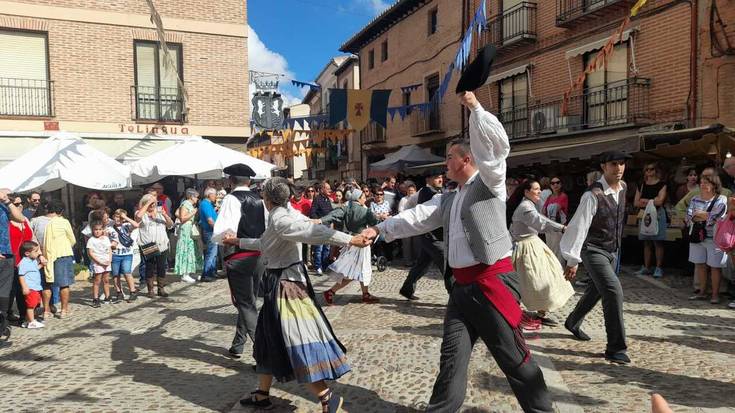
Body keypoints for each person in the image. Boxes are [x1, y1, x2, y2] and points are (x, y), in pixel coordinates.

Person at [361, 91, 552, 412]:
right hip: (462, 289)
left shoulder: (490, 182)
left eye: (450, 156)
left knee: (515, 361)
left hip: (493, 285)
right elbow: (417, 217)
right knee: (451, 358)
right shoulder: (450, 196)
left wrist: (475, 108)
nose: (445, 162)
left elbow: (496, 149)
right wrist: (379, 230)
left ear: (467, 159)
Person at [222, 177, 370, 412]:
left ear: (267, 198)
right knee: (266, 337)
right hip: (278, 283)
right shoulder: (281, 215)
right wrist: (237, 240)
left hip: (286, 286)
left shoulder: (281, 219)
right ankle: (262, 394)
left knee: (296, 340)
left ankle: (326, 396)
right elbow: (264, 243)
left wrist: (349, 239)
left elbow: (314, 231)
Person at [560, 151, 631, 364]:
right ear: (603, 167)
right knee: (612, 289)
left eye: (621, 164)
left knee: (596, 290)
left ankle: (572, 321)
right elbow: (578, 228)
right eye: (613, 164)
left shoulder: (624, 187)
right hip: (592, 250)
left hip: (612, 251)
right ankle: (615, 348)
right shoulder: (592, 195)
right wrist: (572, 260)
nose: (618, 168)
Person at [212, 164, 267, 359]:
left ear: (231, 181)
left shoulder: (231, 198)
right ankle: (238, 344)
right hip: (258, 254)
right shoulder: (259, 199)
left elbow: (223, 231)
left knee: (245, 304)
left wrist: (220, 238)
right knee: (249, 302)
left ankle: (264, 352)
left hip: (238, 255)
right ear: (249, 181)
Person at [508, 179, 573, 327]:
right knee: (535, 280)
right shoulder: (525, 206)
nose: (539, 192)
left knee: (541, 279)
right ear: (526, 192)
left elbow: (541, 220)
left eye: (539, 189)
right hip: (526, 248)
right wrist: (562, 228)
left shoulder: (528, 204)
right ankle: (530, 311)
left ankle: (540, 311)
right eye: (536, 189)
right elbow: (541, 223)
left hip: (532, 245)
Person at [319, 188, 380, 305]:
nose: (365, 199)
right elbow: (374, 223)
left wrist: (321, 220)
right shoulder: (365, 211)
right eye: (363, 197)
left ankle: (365, 294)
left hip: (350, 240)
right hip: (361, 241)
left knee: (361, 269)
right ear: (358, 198)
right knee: (354, 271)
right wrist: (381, 219)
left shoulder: (347, 208)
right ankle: (331, 291)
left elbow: (333, 214)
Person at [399, 173, 445, 300]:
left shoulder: (438, 190)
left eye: (441, 176)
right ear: (428, 180)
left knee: (422, 265)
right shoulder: (426, 192)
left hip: (434, 235)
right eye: (436, 177)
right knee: (446, 265)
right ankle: (457, 298)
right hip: (431, 236)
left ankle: (406, 289)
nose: (440, 179)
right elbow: (409, 207)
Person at [686, 174, 728, 304]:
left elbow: (716, 216)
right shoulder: (694, 199)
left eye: (706, 183)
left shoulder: (721, 199)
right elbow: (689, 217)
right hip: (697, 237)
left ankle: (715, 295)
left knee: (715, 267)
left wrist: (699, 215)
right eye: (702, 182)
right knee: (700, 265)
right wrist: (702, 216)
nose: (703, 185)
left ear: (714, 185)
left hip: (714, 238)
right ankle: (702, 292)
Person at [42, 200, 76, 319]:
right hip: (63, 254)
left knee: (47, 284)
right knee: (64, 284)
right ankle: (64, 310)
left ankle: (46, 310)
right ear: (61, 211)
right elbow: (72, 239)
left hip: (47, 255)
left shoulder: (43, 222)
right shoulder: (64, 222)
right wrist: (66, 245)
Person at [135, 194, 174, 298]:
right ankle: (150, 289)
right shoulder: (141, 213)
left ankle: (161, 289)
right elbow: (138, 218)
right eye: (150, 203)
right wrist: (148, 203)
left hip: (162, 243)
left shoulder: (160, 212)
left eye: (154, 203)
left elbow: (170, 225)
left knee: (161, 267)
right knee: (150, 267)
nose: (153, 205)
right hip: (149, 244)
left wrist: (164, 214)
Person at [634, 163, 668, 278]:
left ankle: (658, 267)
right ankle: (646, 267)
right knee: (646, 242)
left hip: (657, 214)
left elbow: (660, 201)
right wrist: (652, 200)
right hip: (645, 215)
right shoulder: (641, 185)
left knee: (658, 242)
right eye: (646, 169)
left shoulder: (662, 184)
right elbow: (636, 202)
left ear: (656, 170)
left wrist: (645, 200)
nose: (649, 171)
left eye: (651, 169)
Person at [30, 202, 60, 317]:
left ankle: (49, 304)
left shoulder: (36, 221)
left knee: (46, 281)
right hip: (42, 255)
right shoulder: (37, 221)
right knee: (45, 281)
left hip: (44, 254)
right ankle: (43, 305)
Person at [110, 209, 139, 302]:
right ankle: (118, 292)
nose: (118, 219)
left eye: (120, 217)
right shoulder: (110, 228)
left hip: (127, 254)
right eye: (116, 216)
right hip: (115, 254)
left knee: (127, 272)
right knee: (115, 274)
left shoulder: (126, 226)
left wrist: (125, 217)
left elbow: (136, 225)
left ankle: (133, 291)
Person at [175, 188, 201, 283]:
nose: (197, 199)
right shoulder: (185, 204)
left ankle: (190, 271)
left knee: (192, 250)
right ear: (192, 196)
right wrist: (192, 213)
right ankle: (184, 274)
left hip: (189, 229)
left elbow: (176, 212)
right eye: (196, 197)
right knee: (185, 249)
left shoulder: (188, 204)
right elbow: (182, 218)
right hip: (185, 230)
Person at [542, 176, 569, 267]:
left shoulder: (563, 196)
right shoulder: (549, 197)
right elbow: (544, 210)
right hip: (549, 227)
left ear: (561, 184)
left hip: (559, 227)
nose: (555, 185)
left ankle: (560, 271)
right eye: (553, 183)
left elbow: (558, 208)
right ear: (550, 185)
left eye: (557, 182)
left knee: (559, 250)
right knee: (551, 249)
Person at [17, 241, 45, 329]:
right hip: (30, 288)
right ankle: (32, 322)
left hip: (36, 286)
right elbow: (21, 275)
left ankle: (27, 320)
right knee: (31, 305)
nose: (38, 253)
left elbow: (35, 269)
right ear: (27, 253)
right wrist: (24, 287)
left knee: (35, 303)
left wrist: (41, 265)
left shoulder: (33, 261)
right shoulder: (24, 262)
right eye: (36, 251)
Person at [309, 181, 334, 275]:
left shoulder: (328, 199)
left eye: (329, 188)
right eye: (327, 189)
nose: (329, 190)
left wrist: (331, 223)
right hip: (320, 226)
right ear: (322, 189)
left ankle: (325, 266)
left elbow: (331, 213)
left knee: (326, 248)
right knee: (319, 248)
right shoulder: (317, 199)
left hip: (328, 226)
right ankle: (318, 267)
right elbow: (312, 212)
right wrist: (318, 222)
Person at [87, 221, 114, 307]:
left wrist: (110, 259)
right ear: (93, 230)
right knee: (97, 280)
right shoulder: (91, 240)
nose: (98, 231)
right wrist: (99, 261)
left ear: (102, 230)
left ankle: (107, 296)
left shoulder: (105, 239)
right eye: (96, 229)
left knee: (106, 280)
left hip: (106, 262)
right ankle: (95, 298)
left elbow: (109, 249)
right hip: (98, 263)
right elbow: (90, 253)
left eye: (100, 229)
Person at [199, 187, 219, 282]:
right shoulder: (205, 204)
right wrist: (218, 229)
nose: (216, 196)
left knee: (214, 253)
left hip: (212, 231)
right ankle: (206, 274)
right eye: (215, 194)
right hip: (210, 231)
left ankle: (212, 272)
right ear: (209, 194)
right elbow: (209, 220)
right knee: (211, 253)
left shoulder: (209, 204)